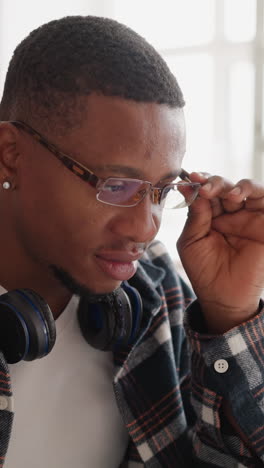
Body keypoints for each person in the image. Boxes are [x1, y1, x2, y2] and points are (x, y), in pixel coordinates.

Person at [0, 14, 263, 468]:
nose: (145, 229)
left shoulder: (158, 292)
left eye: (162, 190)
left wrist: (229, 314)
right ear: (10, 154)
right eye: (115, 185)